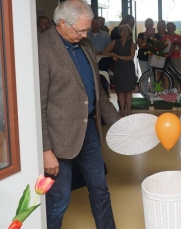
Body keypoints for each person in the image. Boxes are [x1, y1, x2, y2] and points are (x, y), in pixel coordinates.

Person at [38, 1, 120, 228]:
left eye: (87, 29)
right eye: (81, 30)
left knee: (100, 191)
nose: (85, 34)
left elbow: (98, 94)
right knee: (58, 201)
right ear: (62, 24)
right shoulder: (42, 49)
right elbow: (39, 105)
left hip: (89, 134)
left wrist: (120, 126)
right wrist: (46, 150)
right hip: (58, 140)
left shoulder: (84, 45)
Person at [102, 24, 136, 117]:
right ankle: (122, 110)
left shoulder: (132, 44)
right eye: (123, 31)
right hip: (119, 68)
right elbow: (104, 52)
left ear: (129, 33)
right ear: (119, 32)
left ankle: (129, 110)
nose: (124, 32)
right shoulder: (115, 42)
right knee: (120, 91)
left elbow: (131, 57)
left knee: (128, 91)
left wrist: (118, 56)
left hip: (129, 68)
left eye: (126, 31)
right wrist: (112, 54)